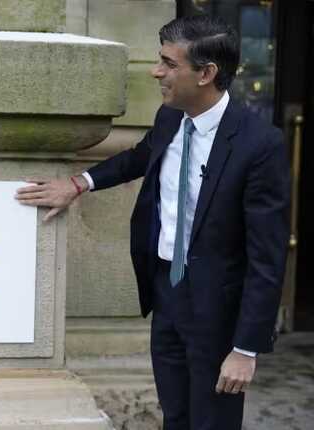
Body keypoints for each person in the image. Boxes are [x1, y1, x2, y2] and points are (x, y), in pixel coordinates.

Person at [16, 15, 289, 430]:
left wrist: (245, 349)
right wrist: (78, 183)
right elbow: (139, 158)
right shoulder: (169, 118)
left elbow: (267, 258)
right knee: (175, 417)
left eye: (168, 63)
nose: (156, 71)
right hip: (167, 294)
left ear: (206, 74)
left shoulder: (260, 144)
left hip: (217, 312)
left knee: (211, 423)